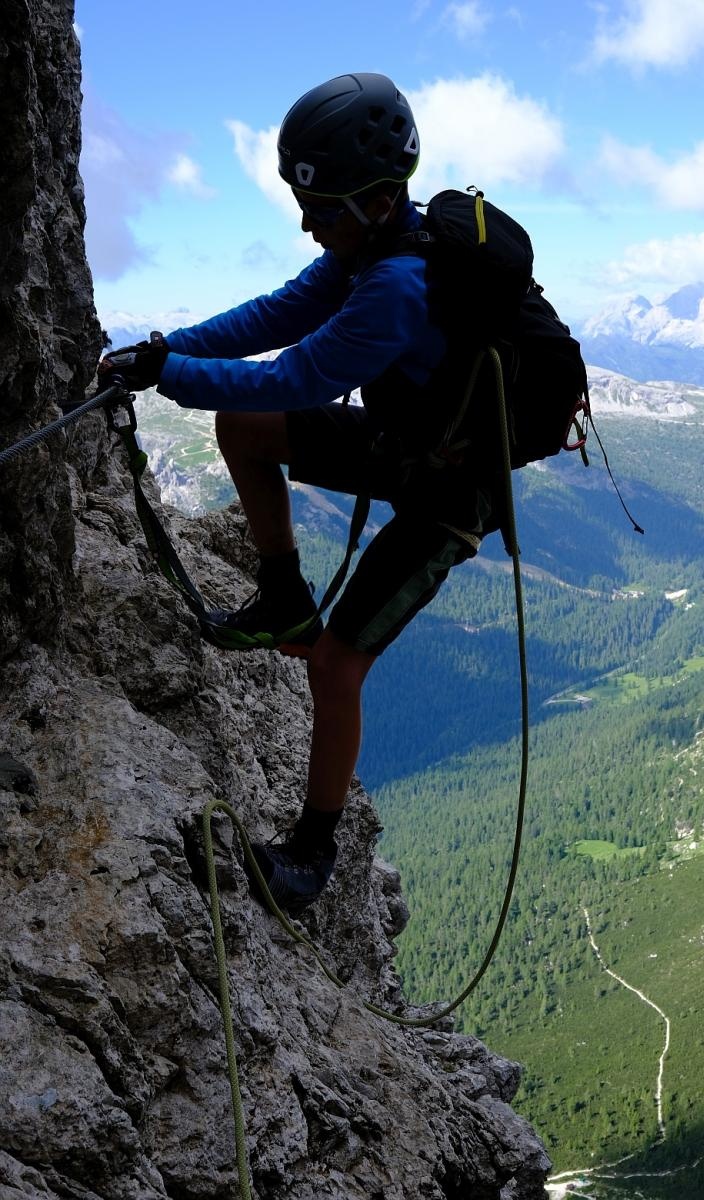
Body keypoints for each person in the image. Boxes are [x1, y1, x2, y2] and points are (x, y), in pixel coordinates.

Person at [99, 73, 501, 914]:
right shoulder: (366, 249)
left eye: (319, 207)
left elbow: (293, 375)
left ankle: (312, 856)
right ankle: (284, 598)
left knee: (335, 664)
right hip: (409, 446)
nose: (307, 223)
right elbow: (275, 315)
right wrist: (164, 349)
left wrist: (170, 373)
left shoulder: (395, 287)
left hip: (452, 492)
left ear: (378, 201)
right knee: (246, 430)